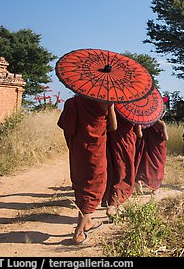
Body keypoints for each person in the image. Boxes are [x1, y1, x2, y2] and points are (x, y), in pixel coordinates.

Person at [57, 95, 117, 245]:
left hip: (78, 150)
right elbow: (113, 127)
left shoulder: (72, 102)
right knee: (94, 186)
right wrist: (110, 107)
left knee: (82, 185)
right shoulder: (106, 101)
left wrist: (73, 146)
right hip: (96, 151)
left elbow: (66, 129)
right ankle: (78, 233)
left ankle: (88, 222)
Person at [103, 111, 142, 217]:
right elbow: (139, 134)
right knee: (124, 173)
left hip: (111, 140)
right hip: (127, 143)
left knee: (113, 170)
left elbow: (110, 126)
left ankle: (116, 203)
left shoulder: (112, 105)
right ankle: (113, 205)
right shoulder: (133, 109)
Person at [135, 111, 169, 195]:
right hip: (158, 149)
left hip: (146, 147)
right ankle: (155, 188)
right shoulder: (161, 124)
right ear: (162, 113)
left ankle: (139, 180)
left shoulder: (144, 123)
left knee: (145, 164)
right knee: (158, 167)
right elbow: (166, 138)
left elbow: (139, 134)